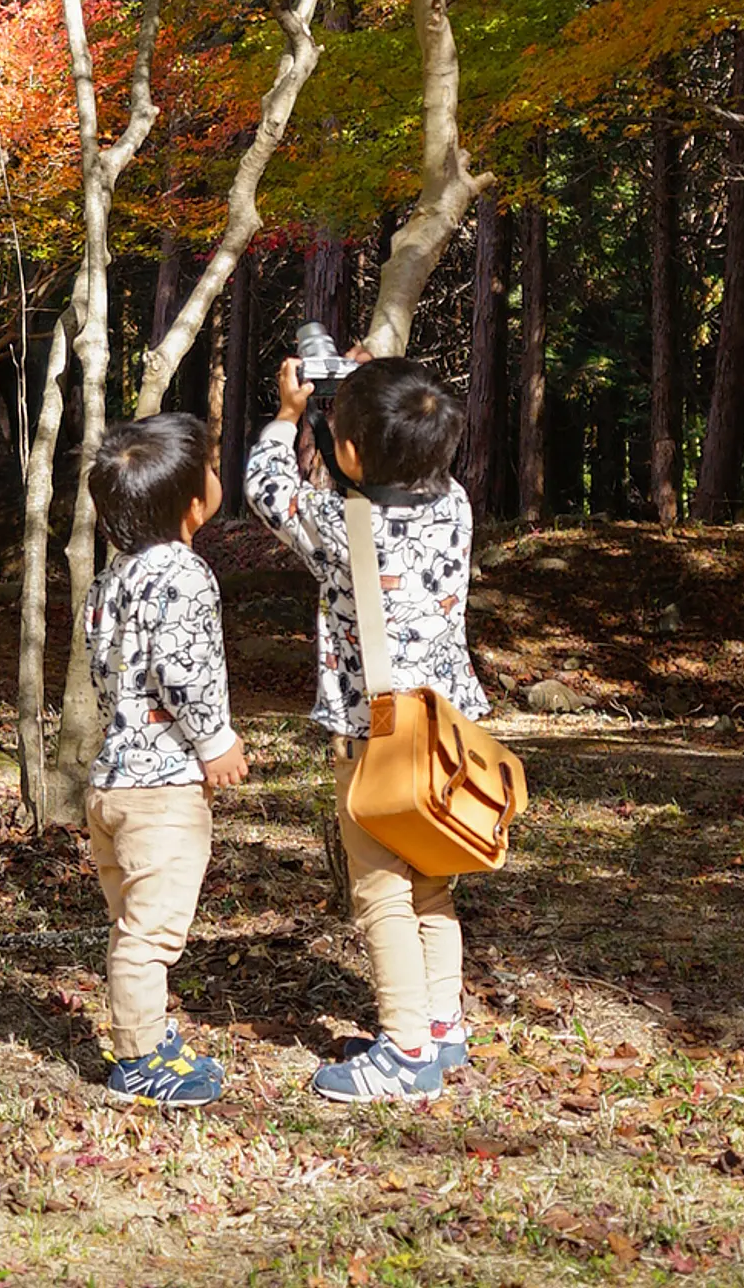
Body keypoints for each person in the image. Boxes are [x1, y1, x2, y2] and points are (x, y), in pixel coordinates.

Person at [247, 352, 485, 1103]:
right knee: (434, 883)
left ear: (346, 451)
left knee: (380, 890)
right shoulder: (455, 505)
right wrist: (373, 390)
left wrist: (289, 417)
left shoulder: (339, 522)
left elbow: (267, 490)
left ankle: (405, 1049)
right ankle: (443, 1026)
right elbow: (399, 450)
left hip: (375, 736)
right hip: (448, 735)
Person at [83, 411, 249, 1105]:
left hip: (112, 784)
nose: (217, 477)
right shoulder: (185, 572)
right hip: (162, 790)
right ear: (191, 505)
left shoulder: (111, 577)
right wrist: (216, 742)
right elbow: (185, 673)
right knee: (149, 937)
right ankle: (140, 1059)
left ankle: (147, 1032)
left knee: (132, 923)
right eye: (211, 470)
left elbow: (104, 668)